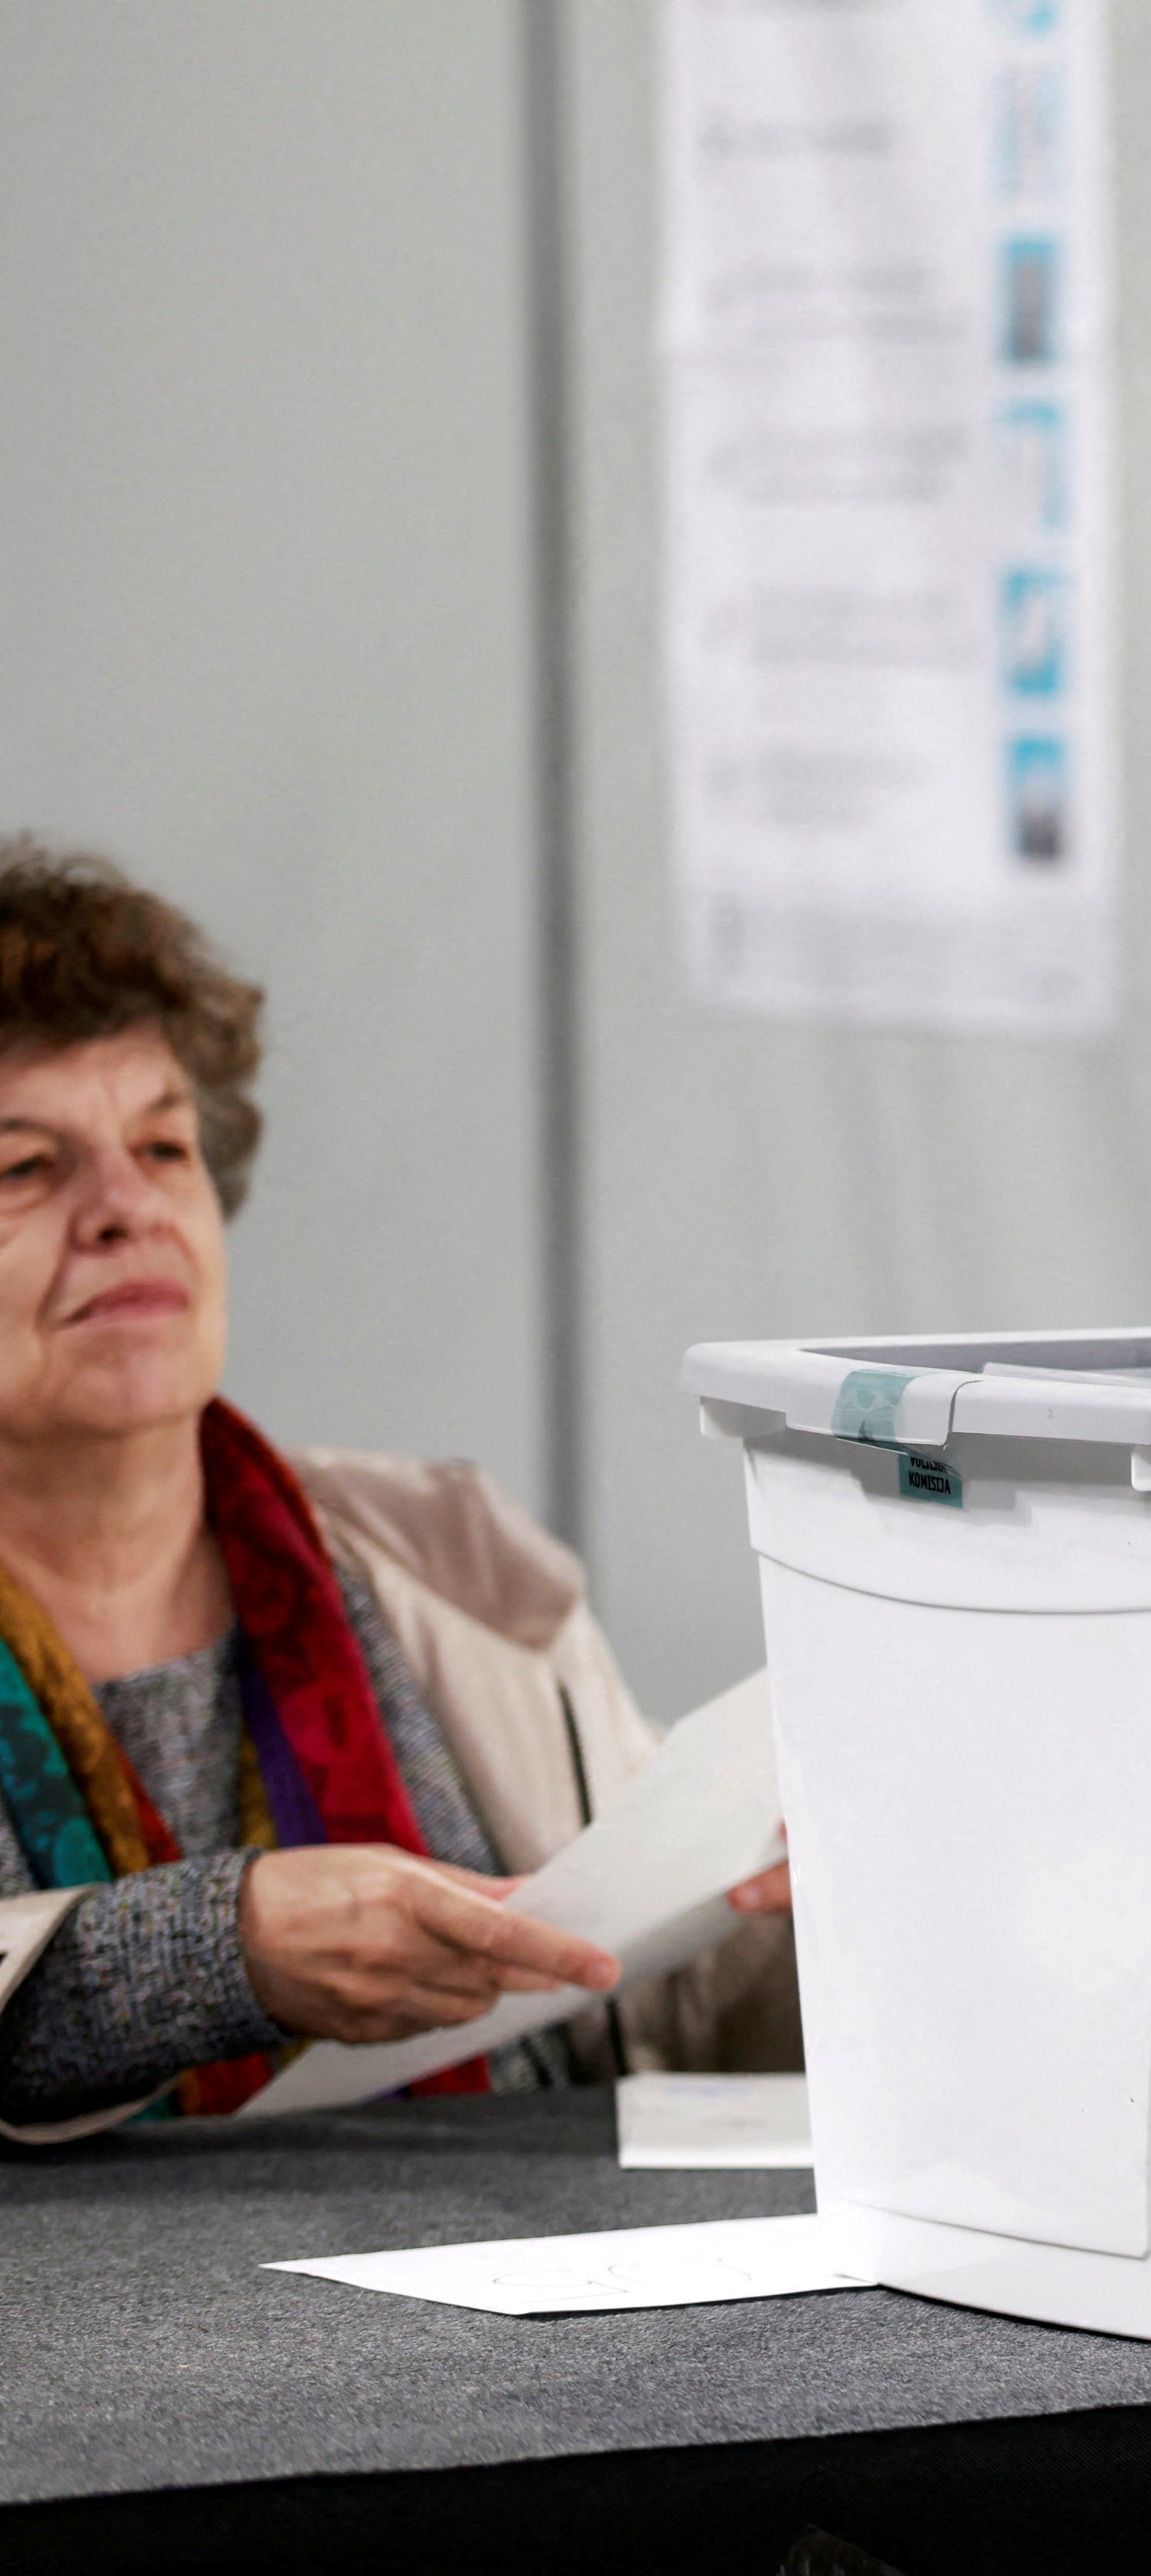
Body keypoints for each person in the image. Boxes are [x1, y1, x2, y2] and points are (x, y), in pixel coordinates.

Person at [0, 839, 791, 2136]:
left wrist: (846, 1900)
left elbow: (669, 2005)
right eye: (26, 1168)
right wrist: (222, 1950)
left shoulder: (444, 1552)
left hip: (516, 2301)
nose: (125, 1207)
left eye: (164, 1146)